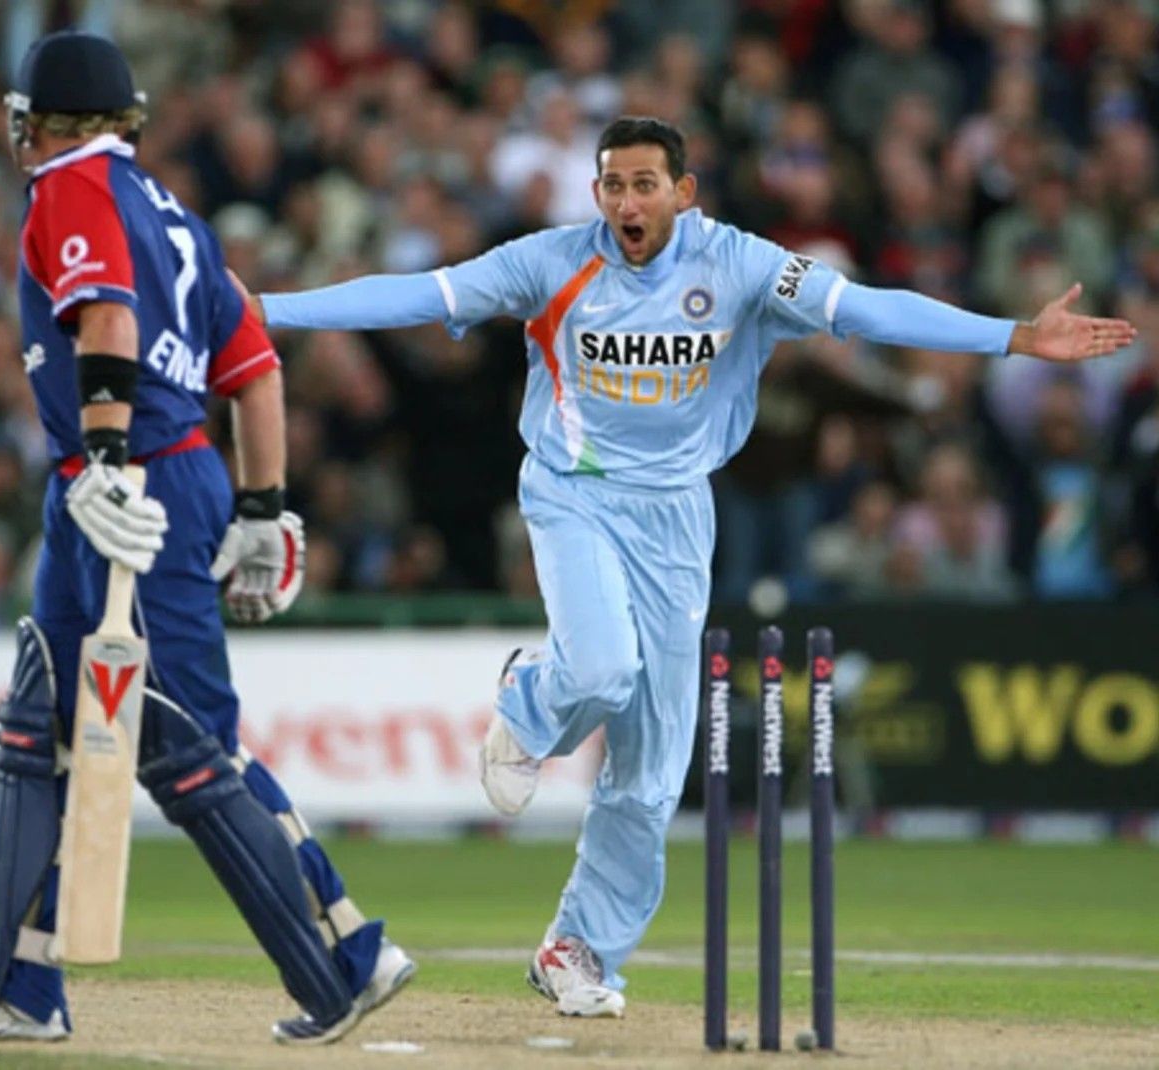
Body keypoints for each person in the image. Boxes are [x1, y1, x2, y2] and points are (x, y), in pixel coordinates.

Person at [230, 116, 1135, 1018]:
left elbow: (864, 308)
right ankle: (530, 701)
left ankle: (577, 947)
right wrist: (269, 310)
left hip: (676, 515)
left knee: (656, 768)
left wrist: (1013, 336)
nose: (626, 202)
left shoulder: (740, 264)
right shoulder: (551, 260)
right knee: (601, 666)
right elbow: (419, 294)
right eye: (612, 185)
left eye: (644, 185)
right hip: (573, 492)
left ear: (683, 193)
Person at [0, 32, 413, 1047]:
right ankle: (15, 988)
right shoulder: (176, 213)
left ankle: (340, 956)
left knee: (186, 744)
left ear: (47, 121)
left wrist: (101, 455)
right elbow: (255, 367)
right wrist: (261, 507)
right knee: (36, 721)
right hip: (140, 476)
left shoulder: (70, 187)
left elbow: (107, 326)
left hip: (128, 482)